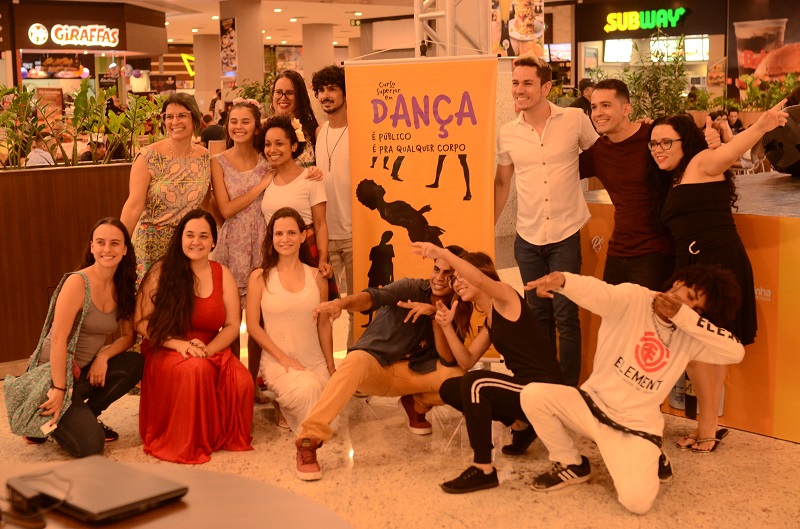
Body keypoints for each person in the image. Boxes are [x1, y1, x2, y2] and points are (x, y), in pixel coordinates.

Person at [520, 265, 745, 514]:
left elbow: (735, 351)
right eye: (689, 297)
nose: (687, 306)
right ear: (678, 282)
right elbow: (598, 291)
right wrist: (563, 280)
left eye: (697, 310)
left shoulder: (690, 336)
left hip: (636, 426)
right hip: (592, 404)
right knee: (533, 395)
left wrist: (684, 317)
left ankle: (652, 453)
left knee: (637, 503)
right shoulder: (635, 298)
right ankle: (571, 463)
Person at [649, 102, 787, 453]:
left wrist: (763, 126)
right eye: (653, 143)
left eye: (667, 142)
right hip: (694, 271)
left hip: (714, 269)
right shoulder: (678, 174)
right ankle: (707, 427)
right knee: (700, 352)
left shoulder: (700, 163)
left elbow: (730, 152)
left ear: (686, 143)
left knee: (698, 350)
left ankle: (707, 429)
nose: (658, 150)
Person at [294, 247, 467, 481]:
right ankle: (309, 440)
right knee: (354, 361)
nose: (439, 277)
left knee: (458, 376)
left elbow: (447, 360)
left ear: (459, 278)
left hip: (412, 376)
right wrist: (342, 303)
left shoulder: (458, 308)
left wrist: (436, 318)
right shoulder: (410, 288)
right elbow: (371, 297)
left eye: (448, 273)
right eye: (436, 269)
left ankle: (416, 404)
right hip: (375, 368)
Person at [407, 244, 563, 494]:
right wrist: (446, 326)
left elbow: (478, 277)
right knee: (451, 388)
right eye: (454, 281)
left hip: (546, 389)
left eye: (460, 277)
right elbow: (466, 361)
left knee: (476, 383)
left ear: (480, 275)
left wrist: (444, 254)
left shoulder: (506, 297)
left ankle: (483, 468)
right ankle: (520, 425)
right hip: (526, 390)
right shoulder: (491, 319)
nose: (457, 284)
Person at [494, 54, 598, 387]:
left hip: (566, 234)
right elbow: (502, 183)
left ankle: (566, 389)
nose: (519, 90)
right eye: (514, 82)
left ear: (546, 86)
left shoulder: (576, 119)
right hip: (527, 238)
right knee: (537, 316)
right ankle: (542, 383)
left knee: (566, 316)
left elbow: (602, 158)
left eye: (526, 83)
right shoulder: (507, 133)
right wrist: (488, 229)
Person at [135, 209, 253, 464]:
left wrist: (209, 349)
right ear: (181, 238)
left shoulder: (223, 274)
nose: (196, 242)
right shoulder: (161, 271)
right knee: (195, 371)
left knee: (242, 381)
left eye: (203, 236)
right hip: (167, 348)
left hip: (208, 347)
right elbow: (142, 323)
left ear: (213, 242)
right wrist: (179, 344)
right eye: (190, 235)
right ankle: (188, 441)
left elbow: (233, 325)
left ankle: (214, 437)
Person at [27, 218, 142, 457]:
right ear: (92, 247)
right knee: (91, 445)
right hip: (51, 376)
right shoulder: (77, 282)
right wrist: (59, 389)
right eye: (100, 242)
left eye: (114, 243)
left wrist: (103, 355)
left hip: (80, 373)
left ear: (124, 249)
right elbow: (58, 339)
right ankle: (40, 415)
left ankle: (85, 416)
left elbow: (129, 337)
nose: (107, 249)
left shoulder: (122, 286)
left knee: (135, 363)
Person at [580, 79, 675, 290]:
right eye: (594, 107)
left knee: (647, 320)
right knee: (613, 319)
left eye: (606, 105)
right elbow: (559, 170)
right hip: (618, 250)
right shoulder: (598, 151)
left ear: (626, 109)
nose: (598, 113)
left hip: (655, 252)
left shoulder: (653, 137)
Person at [246, 207, 335, 432]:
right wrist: (282, 358)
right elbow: (254, 327)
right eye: (279, 234)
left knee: (330, 411)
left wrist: (331, 367)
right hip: (278, 361)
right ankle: (285, 403)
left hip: (313, 359)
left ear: (303, 236)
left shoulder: (317, 277)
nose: (285, 239)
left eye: (291, 233)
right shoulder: (259, 277)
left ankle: (285, 405)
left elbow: (324, 325)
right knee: (308, 390)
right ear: (272, 238)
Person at [211, 97, 271, 400]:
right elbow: (226, 208)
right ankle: (234, 382)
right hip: (232, 245)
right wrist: (260, 187)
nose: (239, 127)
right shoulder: (218, 161)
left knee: (259, 321)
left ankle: (253, 381)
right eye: (233, 121)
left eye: (245, 121)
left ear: (256, 125)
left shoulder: (268, 158)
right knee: (231, 321)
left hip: (263, 244)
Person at [120, 93, 211, 284]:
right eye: (169, 116)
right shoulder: (148, 157)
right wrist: (120, 245)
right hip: (150, 246)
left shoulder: (205, 157)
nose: (174, 121)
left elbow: (205, 203)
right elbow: (133, 206)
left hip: (188, 245)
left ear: (194, 118)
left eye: (182, 115)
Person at [312, 64, 354, 346]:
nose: (326, 95)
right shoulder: (319, 132)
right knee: (320, 309)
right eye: (322, 90)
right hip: (325, 236)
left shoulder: (359, 131)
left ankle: (359, 373)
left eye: (332, 89)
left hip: (354, 235)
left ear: (344, 93)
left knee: (358, 308)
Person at [270, 70, 319, 167]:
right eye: (278, 92)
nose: (283, 97)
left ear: (300, 97)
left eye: (290, 93)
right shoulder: (262, 130)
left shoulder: (312, 132)